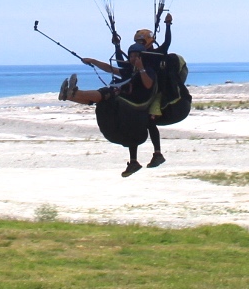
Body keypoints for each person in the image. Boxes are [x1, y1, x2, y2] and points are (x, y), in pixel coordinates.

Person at [59, 13, 172, 176]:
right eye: (131, 55)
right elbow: (111, 68)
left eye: (136, 55)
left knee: (109, 93)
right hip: (130, 100)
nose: (132, 58)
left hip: (143, 100)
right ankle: (70, 95)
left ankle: (74, 93)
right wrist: (93, 60)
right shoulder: (129, 68)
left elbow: (148, 84)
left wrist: (168, 24)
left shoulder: (150, 66)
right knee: (106, 100)